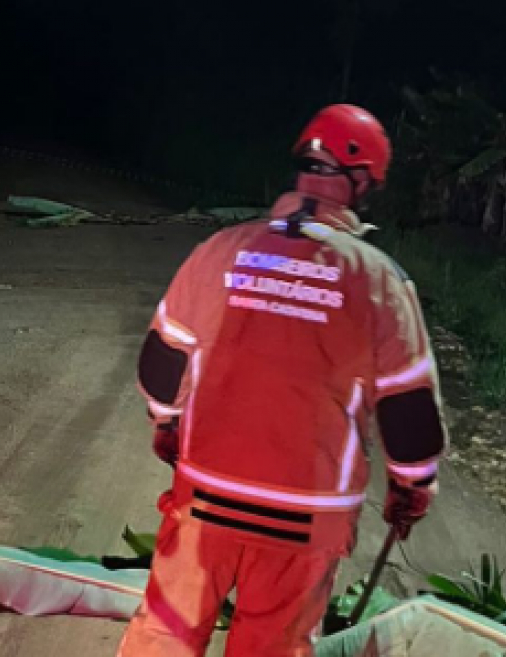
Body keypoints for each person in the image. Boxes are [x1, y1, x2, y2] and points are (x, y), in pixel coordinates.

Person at [116, 104, 448, 657]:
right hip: (305, 519)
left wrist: (166, 424)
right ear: (362, 183)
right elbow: (409, 411)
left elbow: (161, 361)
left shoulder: (221, 250)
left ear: (301, 168)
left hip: (206, 499)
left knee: (166, 636)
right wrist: (411, 486)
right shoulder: (379, 281)